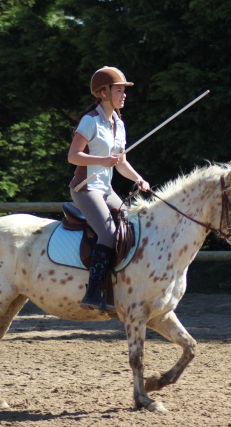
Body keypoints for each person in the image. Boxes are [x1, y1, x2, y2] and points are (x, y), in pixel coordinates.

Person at [68, 66, 150, 312]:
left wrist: (138, 179)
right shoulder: (90, 121)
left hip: (105, 189)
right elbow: (73, 156)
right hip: (85, 188)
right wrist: (102, 161)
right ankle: (93, 292)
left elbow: (121, 162)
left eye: (124, 91)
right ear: (103, 93)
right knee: (108, 234)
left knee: (132, 226)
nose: (124, 95)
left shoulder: (119, 124)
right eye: (119, 90)